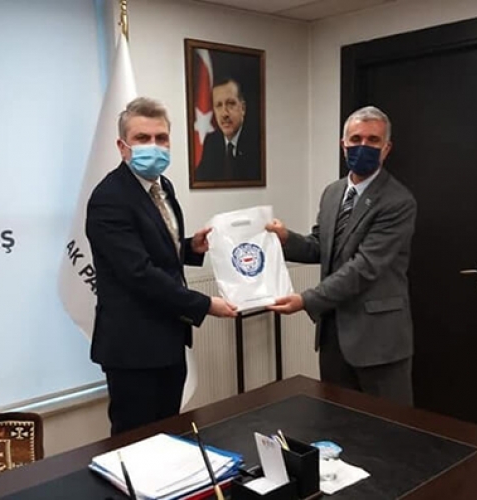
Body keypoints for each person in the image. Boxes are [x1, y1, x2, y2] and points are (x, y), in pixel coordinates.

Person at [86, 97, 237, 435]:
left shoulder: (162, 186)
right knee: (137, 442)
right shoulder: (109, 198)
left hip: (168, 338)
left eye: (161, 138)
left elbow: (153, 248)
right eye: (142, 138)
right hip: (133, 348)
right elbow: (138, 273)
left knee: (169, 433)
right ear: (122, 146)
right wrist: (206, 305)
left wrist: (189, 248)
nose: (153, 146)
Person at [266, 106, 417, 406]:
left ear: (386, 149)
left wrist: (305, 300)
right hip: (333, 335)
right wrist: (285, 239)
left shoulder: (398, 201)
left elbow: (363, 267)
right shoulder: (333, 192)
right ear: (343, 144)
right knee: (337, 419)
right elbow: (321, 246)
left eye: (373, 140)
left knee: (388, 425)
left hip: (378, 341)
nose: (363, 146)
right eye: (356, 139)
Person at [194, 78, 261, 182]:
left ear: (243, 108)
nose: (224, 113)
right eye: (219, 105)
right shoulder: (212, 142)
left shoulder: (257, 143)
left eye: (230, 104)